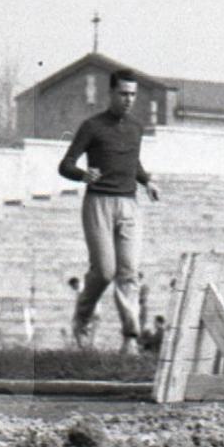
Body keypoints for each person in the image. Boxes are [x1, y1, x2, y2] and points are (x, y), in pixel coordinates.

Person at [58, 69, 159, 348]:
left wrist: (147, 181)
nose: (128, 100)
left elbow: (132, 163)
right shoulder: (92, 126)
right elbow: (65, 165)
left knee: (129, 272)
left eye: (133, 95)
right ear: (111, 93)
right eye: (123, 94)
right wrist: (82, 175)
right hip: (98, 203)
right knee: (104, 271)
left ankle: (130, 338)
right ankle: (82, 318)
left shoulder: (136, 128)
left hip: (129, 204)